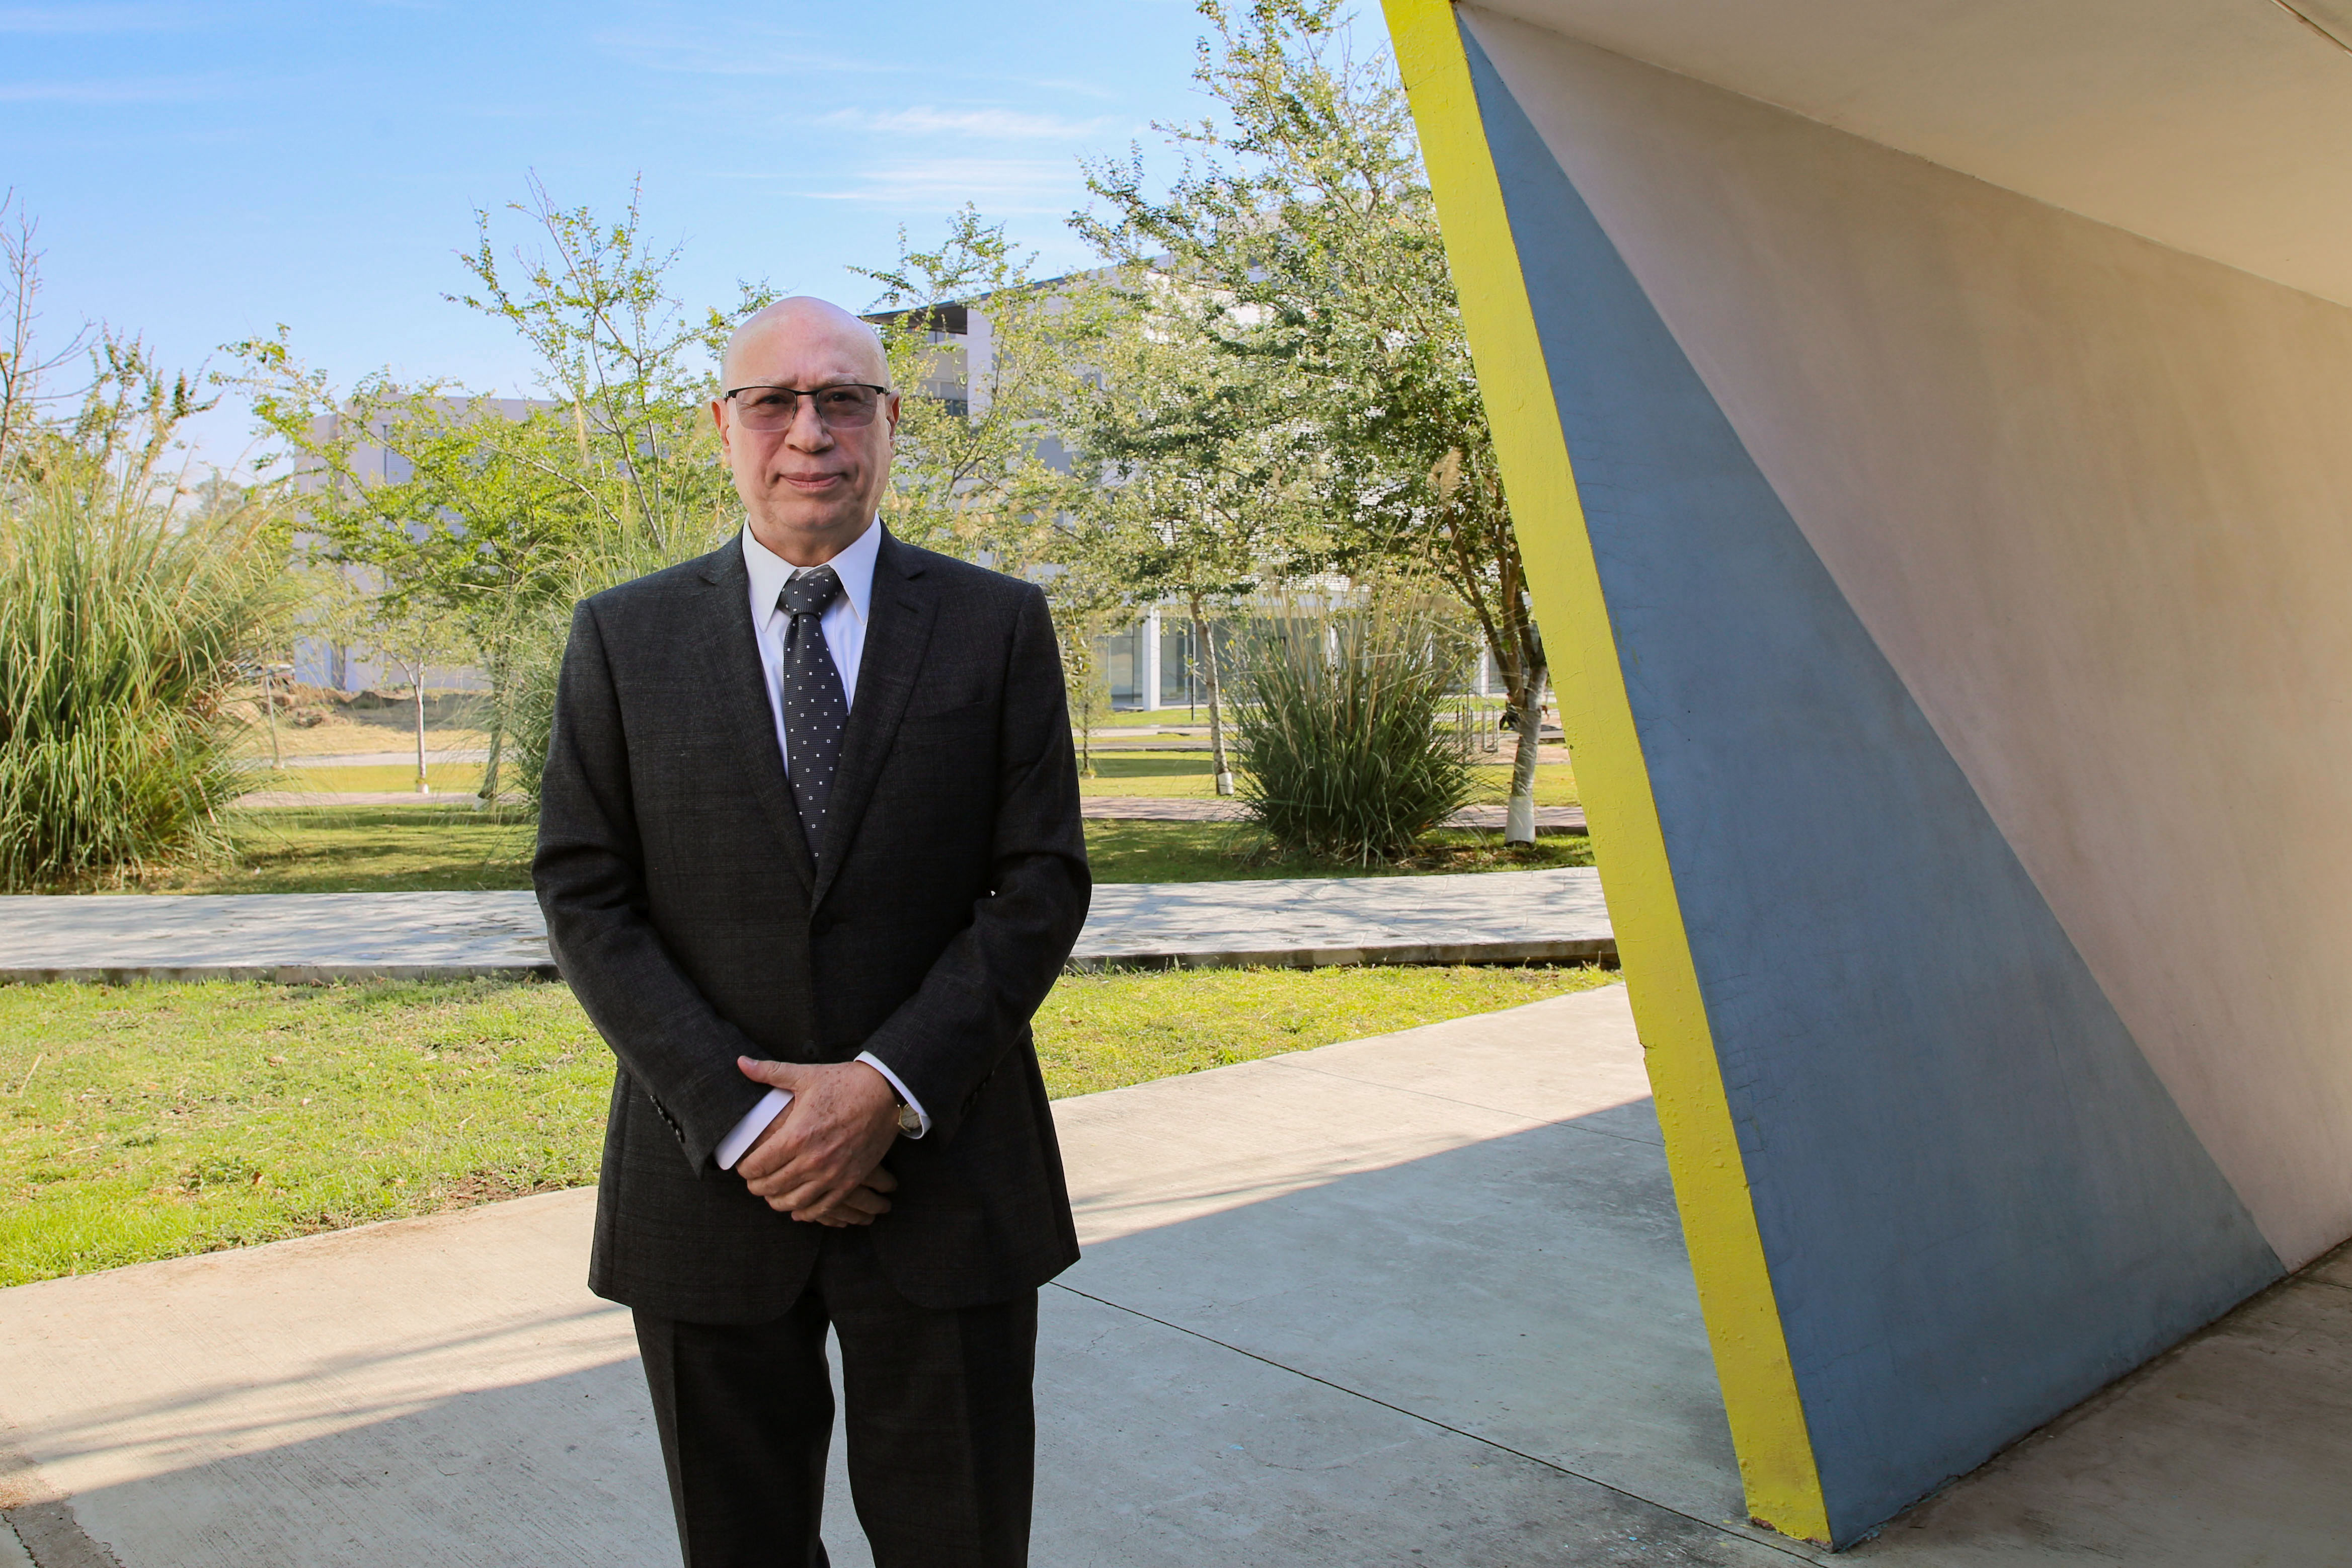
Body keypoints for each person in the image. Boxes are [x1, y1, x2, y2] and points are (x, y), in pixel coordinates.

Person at [533, 296, 1091, 1568]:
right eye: (775, 402)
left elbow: (1040, 882)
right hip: (709, 1187)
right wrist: (749, 1120)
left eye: (843, 399)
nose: (810, 432)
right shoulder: (624, 636)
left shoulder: (998, 623)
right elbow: (585, 892)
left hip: (948, 1181)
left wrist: (881, 1088)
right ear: (721, 424)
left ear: (890, 421)